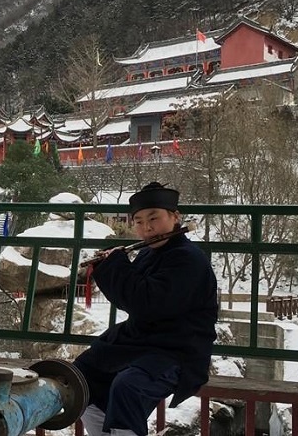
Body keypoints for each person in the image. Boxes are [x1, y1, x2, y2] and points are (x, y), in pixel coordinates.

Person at [73, 182, 218, 436]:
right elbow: (131, 298)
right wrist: (111, 265)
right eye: (139, 221)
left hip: (178, 348)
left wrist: (116, 266)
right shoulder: (148, 253)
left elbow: (146, 303)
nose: (147, 228)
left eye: (154, 218)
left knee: (127, 386)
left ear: (175, 217)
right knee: (81, 376)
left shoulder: (188, 259)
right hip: (142, 342)